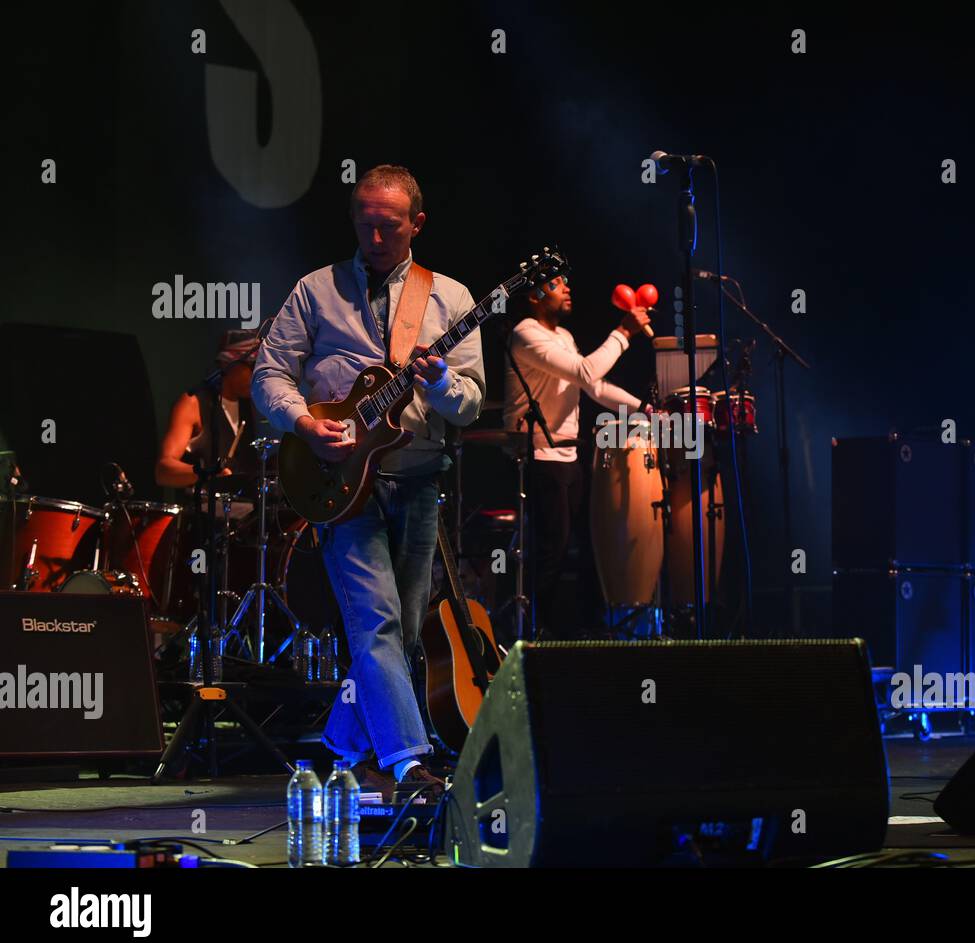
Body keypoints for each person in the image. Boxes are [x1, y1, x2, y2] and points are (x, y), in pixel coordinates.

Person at [254, 165, 485, 793]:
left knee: (404, 633)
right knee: (376, 622)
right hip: (339, 484)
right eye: (364, 222)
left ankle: (339, 741)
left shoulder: (452, 299)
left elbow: (468, 406)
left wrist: (437, 380)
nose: (375, 236)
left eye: (389, 225)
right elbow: (267, 375)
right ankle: (409, 763)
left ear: (417, 223)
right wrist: (303, 422)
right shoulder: (315, 291)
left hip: (417, 480)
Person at [503, 275, 650, 635]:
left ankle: (574, 628)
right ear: (536, 296)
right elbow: (587, 370)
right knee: (552, 551)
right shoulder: (525, 332)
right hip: (538, 455)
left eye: (568, 282)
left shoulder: (563, 338)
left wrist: (643, 408)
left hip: (568, 455)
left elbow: (593, 384)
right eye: (556, 284)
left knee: (578, 548)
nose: (567, 288)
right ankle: (535, 634)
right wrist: (624, 332)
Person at [156, 331, 262, 488]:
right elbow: (163, 471)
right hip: (201, 509)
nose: (256, 373)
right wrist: (208, 474)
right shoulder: (193, 403)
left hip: (241, 509)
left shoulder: (249, 403)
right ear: (228, 363)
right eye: (252, 365)